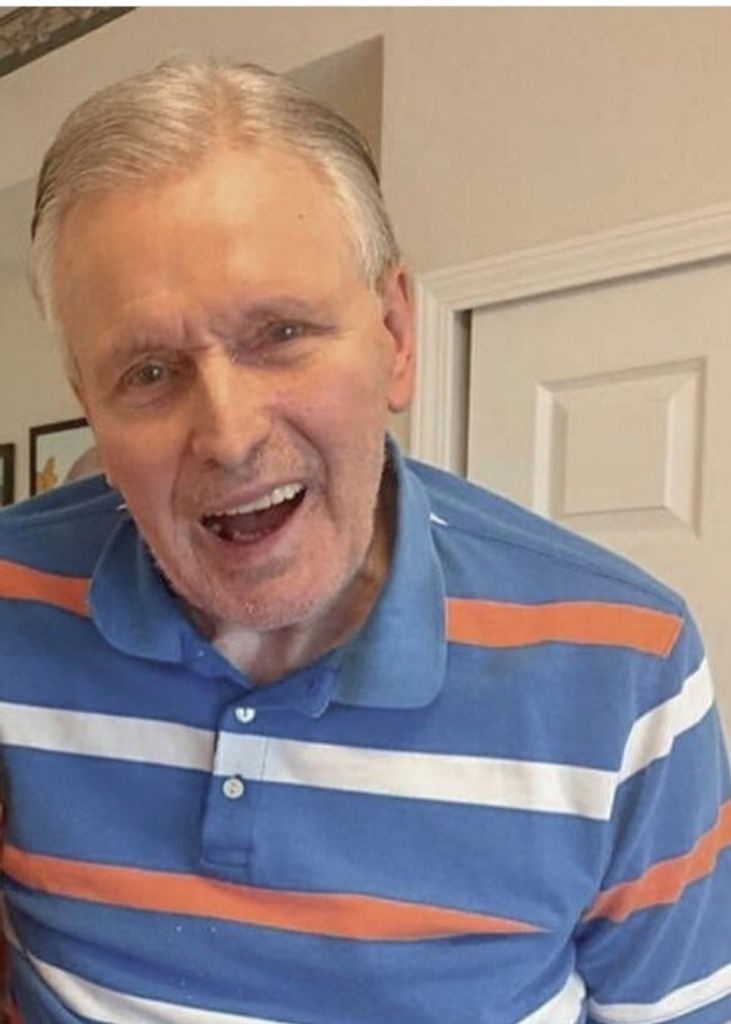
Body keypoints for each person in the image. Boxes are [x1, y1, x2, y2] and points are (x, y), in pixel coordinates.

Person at [0, 57, 729, 1024]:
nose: (228, 435)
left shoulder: (627, 663)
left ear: (394, 334)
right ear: (90, 403)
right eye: (148, 372)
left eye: (280, 334)